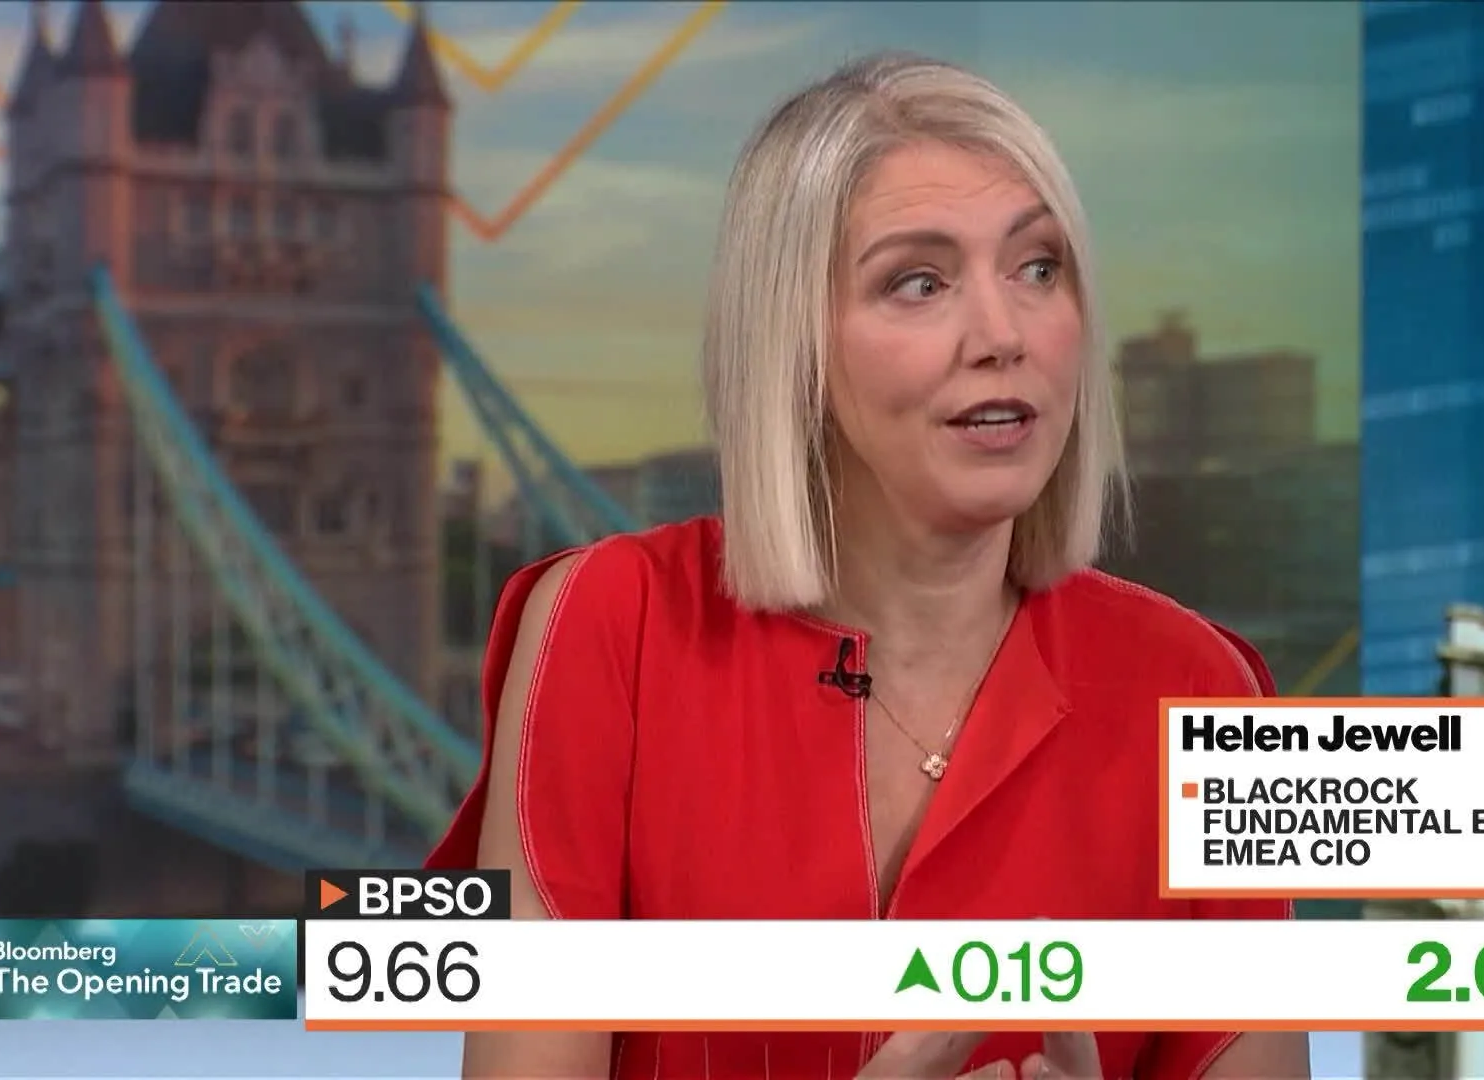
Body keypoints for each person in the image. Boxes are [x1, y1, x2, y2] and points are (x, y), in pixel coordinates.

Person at [428, 51, 1313, 1080]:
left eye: (1038, 268)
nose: (1003, 334)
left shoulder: (1197, 689)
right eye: (919, 282)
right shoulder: (608, 627)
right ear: (794, 344)